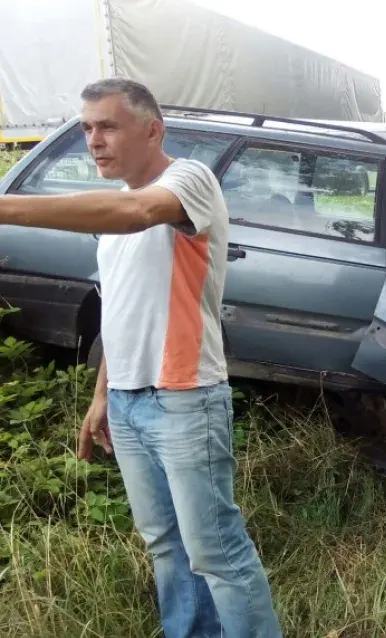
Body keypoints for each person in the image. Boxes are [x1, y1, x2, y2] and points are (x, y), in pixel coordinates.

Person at [0, 78, 282, 637]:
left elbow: (137, 211)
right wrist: (103, 395)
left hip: (184, 398)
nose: (93, 141)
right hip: (129, 403)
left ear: (153, 130)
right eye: (86, 128)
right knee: (166, 547)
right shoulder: (112, 224)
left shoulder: (188, 181)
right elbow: (122, 311)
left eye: (107, 126)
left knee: (216, 552)